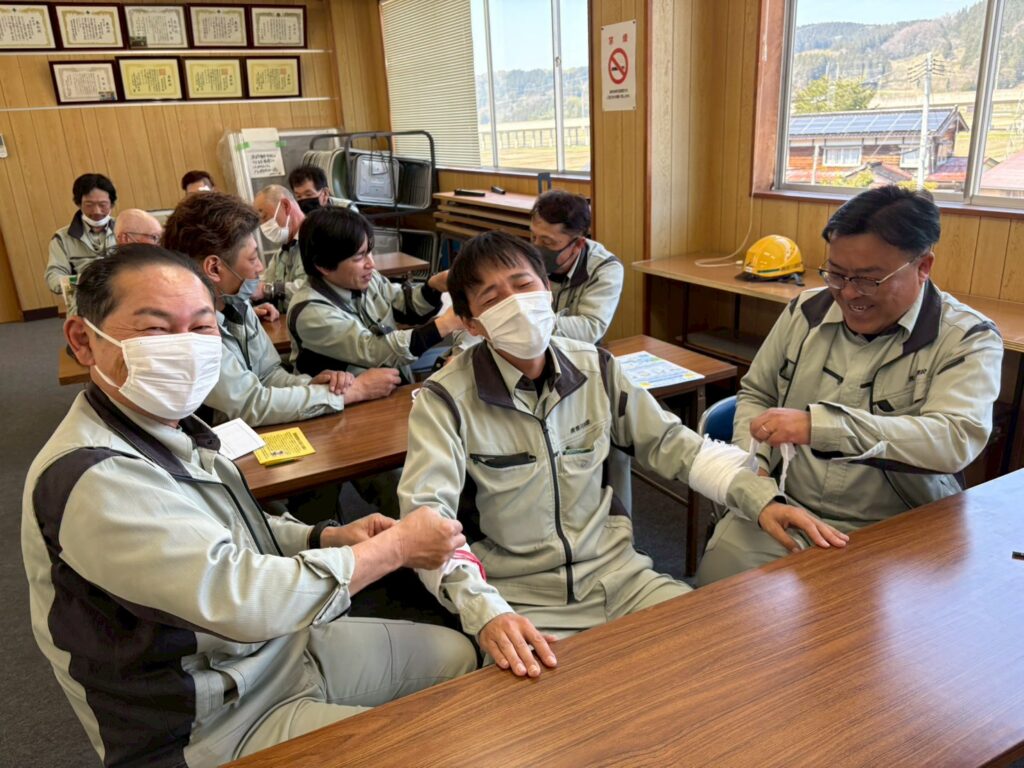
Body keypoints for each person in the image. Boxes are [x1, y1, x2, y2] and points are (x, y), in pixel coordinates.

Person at [22, 245, 477, 767]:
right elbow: (243, 599)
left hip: (278, 652)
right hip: (211, 721)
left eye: (201, 327)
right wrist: (394, 549)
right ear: (83, 341)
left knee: (457, 658)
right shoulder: (92, 478)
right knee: (440, 749)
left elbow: (231, 528)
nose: (185, 348)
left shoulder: (172, 427)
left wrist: (324, 537)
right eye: (155, 329)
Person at [396, 231, 846, 678]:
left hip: (622, 579)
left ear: (547, 289)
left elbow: (673, 444)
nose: (514, 303)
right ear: (471, 323)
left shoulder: (596, 367)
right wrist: (486, 612)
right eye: (493, 299)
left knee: (724, 661)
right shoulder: (444, 401)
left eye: (523, 284)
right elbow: (425, 524)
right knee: (556, 712)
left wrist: (760, 498)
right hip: (521, 601)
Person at [696, 186, 1003, 586]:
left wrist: (822, 427)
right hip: (788, 509)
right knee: (714, 601)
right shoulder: (805, 312)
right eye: (837, 274)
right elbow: (757, 394)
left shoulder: (968, 338)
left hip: (900, 527)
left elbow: (955, 438)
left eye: (870, 279)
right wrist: (756, 471)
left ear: (923, 266)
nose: (849, 293)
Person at [162, 191, 399, 427]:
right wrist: (352, 392)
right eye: (253, 258)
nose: (260, 268)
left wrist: (312, 386)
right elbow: (249, 404)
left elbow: (269, 374)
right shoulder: (190, 330)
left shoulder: (236, 303)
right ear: (214, 268)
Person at [288, 206, 463, 383]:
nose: (371, 263)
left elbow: (404, 304)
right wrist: (445, 324)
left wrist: (433, 286)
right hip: (349, 398)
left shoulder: (364, 279)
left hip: (392, 386)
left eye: (369, 251)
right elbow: (375, 351)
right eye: (359, 257)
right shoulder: (311, 313)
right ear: (324, 266)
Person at [530, 189, 624, 343]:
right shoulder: (523, 258)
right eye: (533, 237)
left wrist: (531, 324)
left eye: (547, 242)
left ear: (578, 244)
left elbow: (590, 328)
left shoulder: (603, 269)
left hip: (576, 352)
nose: (536, 247)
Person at [45, 173, 118, 302]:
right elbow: (53, 277)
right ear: (78, 203)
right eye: (89, 205)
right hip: (84, 300)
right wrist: (82, 282)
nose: (97, 211)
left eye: (103, 205)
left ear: (112, 204)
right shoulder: (62, 238)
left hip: (122, 296)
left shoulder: (126, 230)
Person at [253, 184, 307, 308]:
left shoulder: (317, 241)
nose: (263, 226)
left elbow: (309, 290)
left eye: (264, 217)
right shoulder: (282, 252)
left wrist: (267, 290)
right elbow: (265, 281)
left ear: (286, 206)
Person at [289, 164, 358, 213]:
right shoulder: (296, 212)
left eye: (309, 195)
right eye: (298, 196)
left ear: (325, 193)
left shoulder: (347, 208)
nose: (303, 200)